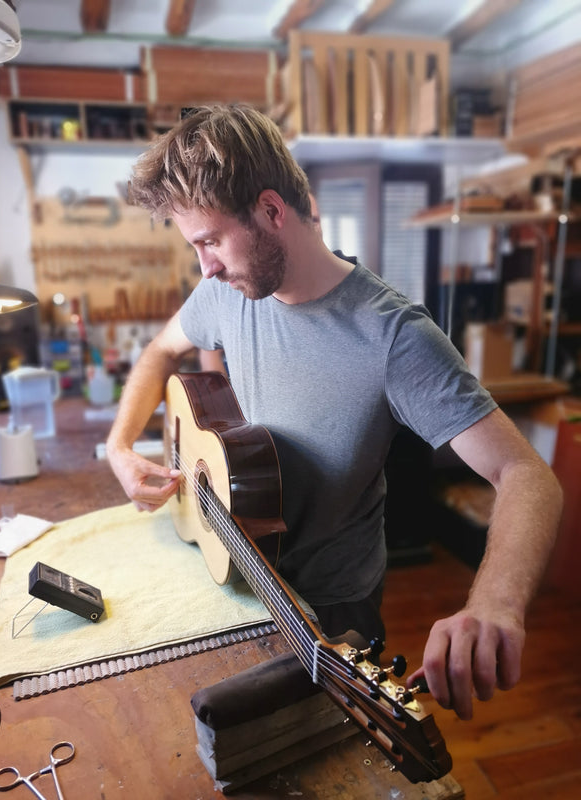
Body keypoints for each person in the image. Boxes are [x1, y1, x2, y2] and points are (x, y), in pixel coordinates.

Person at [106, 104, 562, 721]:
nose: (205, 266)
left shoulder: (394, 336)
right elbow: (161, 351)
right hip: (234, 571)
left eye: (211, 240)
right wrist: (121, 446)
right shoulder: (225, 290)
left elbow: (528, 475)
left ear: (272, 211)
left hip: (332, 608)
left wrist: (494, 605)